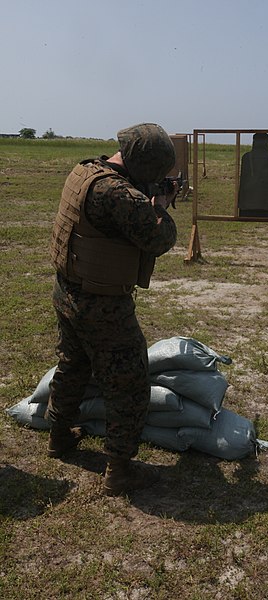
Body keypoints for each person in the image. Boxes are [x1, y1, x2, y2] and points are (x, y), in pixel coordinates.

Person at [46, 123, 178, 496]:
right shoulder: (119, 194)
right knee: (129, 380)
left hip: (67, 291)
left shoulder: (85, 172)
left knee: (73, 363)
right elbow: (158, 239)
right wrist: (161, 209)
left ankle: (59, 435)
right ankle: (119, 469)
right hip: (102, 305)